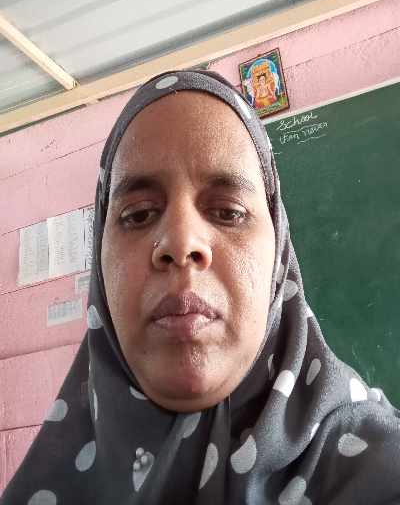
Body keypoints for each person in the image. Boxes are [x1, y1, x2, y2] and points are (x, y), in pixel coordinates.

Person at [1, 70, 399, 505]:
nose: (180, 243)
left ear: (279, 254)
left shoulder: (376, 472)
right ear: (99, 258)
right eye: (138, 215)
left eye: (228, 212)